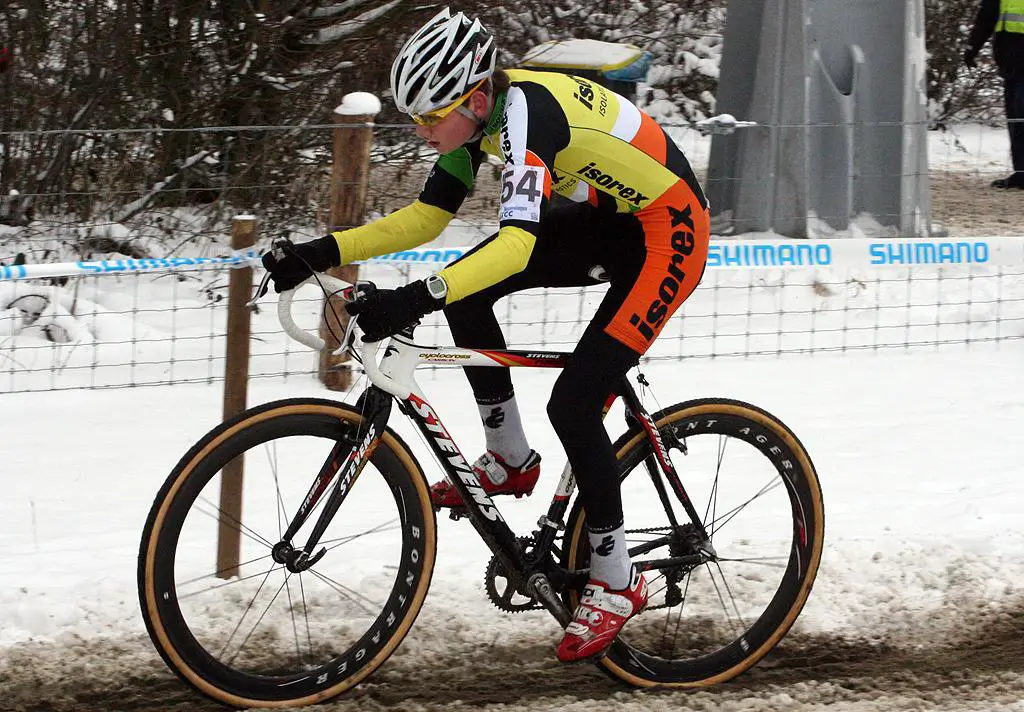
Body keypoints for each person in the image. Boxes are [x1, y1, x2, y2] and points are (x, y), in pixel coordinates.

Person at [262, 8, 710, 661]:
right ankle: (510, 457)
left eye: (428, 118)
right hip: (611, 220)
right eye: (413, 119)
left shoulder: (525, 116)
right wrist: (319, 251)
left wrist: (414, 298)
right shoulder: (479, 121)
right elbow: (424, 220)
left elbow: (516, 243)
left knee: (575, 402)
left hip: (669, 233)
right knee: (466, 284)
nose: (421, 133)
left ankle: (617, 582)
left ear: (474, 97)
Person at [965, 0, 1024, 189]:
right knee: (1016, 118)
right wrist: (972, 46)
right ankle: (1022, 173)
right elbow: (987, 16)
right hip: (1010, 64)